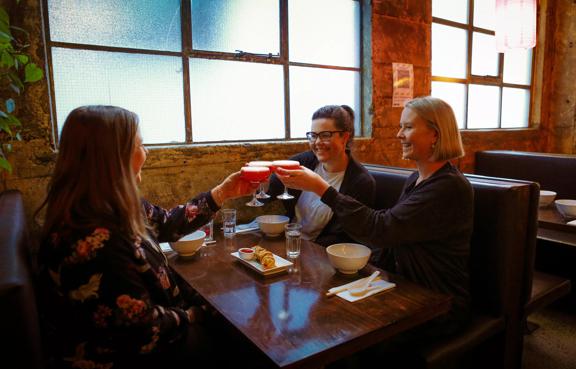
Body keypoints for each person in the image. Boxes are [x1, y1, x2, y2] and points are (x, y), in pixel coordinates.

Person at [35, 105, 258, 369]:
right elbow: (141, 332)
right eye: (140, 145)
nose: (147, 152)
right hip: (138, 355)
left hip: (161, 329)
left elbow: (166, 224)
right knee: (247, 342)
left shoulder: (111, 203)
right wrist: (193, 315)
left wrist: (223, 192)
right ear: (112, 156)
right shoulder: (93, 241)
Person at [276, 96, 473, 337]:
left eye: (408, 127)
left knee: (339, 331)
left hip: (437, 302)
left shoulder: (448, 187)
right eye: (401, 126)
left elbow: (382, 229)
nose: (399, 134)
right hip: (405, 286)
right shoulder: (418, 179)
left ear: (435, 134)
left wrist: (323, 189)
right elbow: (392, 237)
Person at [267, 105, 375, 247]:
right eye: (313, 135)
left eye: (325, 135)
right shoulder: (303, 162)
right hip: (290, 242)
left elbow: (348, 236)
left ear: (345, 137)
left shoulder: (361, 182)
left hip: (322, 254)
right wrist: (254, 184)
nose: (317, 142)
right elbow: (268, 193)